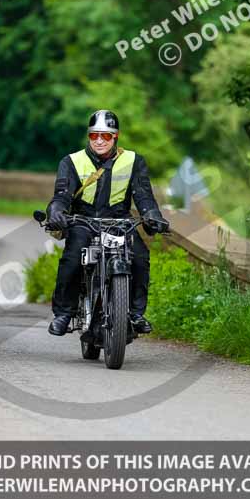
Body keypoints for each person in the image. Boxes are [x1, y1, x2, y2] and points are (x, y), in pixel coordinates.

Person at [45, 110, 169, 336]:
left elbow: (143, 195)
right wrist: (56, 211)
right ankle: (64, 313)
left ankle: (135, 313)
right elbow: (62, 194)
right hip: (83, 221)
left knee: (140, 258)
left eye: (106, 135)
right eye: (94, 136)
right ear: (88, 136)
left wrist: (153, 216)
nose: (100, 140)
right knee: (72, 259)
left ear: (116, 137)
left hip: (120, 222)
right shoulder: (71, 161)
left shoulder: (133, 161)